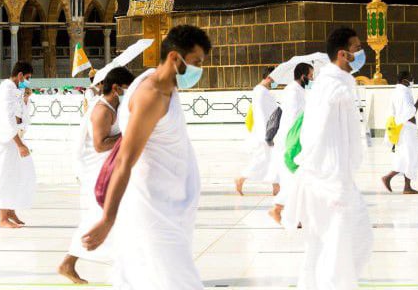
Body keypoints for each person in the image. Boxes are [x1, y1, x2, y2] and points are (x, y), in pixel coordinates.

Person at [82, 25, 211, 290]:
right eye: (196, 62)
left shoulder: (162, 84)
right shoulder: (151, 95)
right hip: (154, 214)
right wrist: (107, 219)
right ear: (175, 58)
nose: (199, 70)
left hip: (169, 209)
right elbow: (124, 160)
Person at [282, 28, 372, 289]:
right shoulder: (332, 88)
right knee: (340, 246)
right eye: (356, 48)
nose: (360, 52)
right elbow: (316, 135)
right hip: (330, 183)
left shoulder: (339, 84)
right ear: (343, 54)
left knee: (329, 247)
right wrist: (326, 182)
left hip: (337, 179)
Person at [59, 67, 135, 285]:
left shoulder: (116, 105)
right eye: (126, 89)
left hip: (111, 166)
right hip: (98, 170)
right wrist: (127, 138)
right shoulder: (102, 110)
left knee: (118, 216)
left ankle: (123, 266)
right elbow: (101, 145)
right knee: (99, 217)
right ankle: (68, 262)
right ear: (115, 88)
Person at [0, 61, 36, 228]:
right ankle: (2, 218)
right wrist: (19, 144)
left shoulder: (16, 90)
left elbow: (22, 116)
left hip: (15, 139)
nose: (28, 81)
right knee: (6, 176)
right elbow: (7, 119)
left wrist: (25, 98)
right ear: (19, 75)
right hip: (6, 141)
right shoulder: (6, 90)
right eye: (27, 78)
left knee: (17, 175)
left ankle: (10, 211)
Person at [268, 62, 313, 225]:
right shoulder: (294, 92)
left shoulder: (299, 91)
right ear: (303, 76)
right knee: (296, 180)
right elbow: (293, 118)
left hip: (295, 139)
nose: (311, 79)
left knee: (298, 180)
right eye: (310, 76)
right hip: (291, 141)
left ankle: (293, 215)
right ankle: (279, 210)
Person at [235, 67, 280, 196]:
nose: (276, 83)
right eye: (275, 80)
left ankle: (276, 187)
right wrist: (267, 136)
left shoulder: (264, 92)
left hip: (269, 132)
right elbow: (261, 116)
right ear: (269, 78)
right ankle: (241, 178)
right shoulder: (260, 92)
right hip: (265, 134)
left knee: (273, 160)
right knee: (263, 160)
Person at [381, 71, 418, 194]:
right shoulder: (403, 92)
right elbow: (411, 112)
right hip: (406, 128)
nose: (412, 81)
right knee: (409, 157)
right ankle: (389, 178)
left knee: (406, 157)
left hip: (404, 128)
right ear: (404, 80)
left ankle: (406, 187)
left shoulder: (399, 91)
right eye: (411, 78)